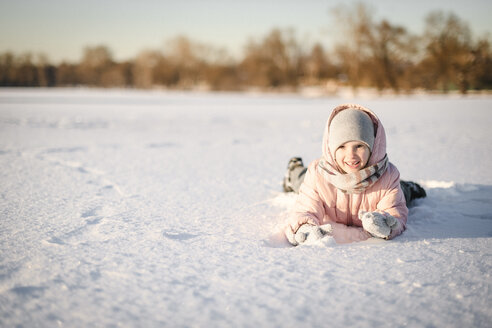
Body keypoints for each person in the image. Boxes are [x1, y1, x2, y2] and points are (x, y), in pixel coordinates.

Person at [283, 104, 426, 246]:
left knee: (402, 191)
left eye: (359, 146)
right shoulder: (318, 173)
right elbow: (305, 208)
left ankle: (409, 187)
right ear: (331, 149)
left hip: (386, 183)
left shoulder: (388, 175)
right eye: (342, 147)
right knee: (300, 182)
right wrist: (304, 227)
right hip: (322, 179)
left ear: (372, 146)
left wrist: (384, 223)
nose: (351, 155)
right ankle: (293, 170)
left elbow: (395, 211)